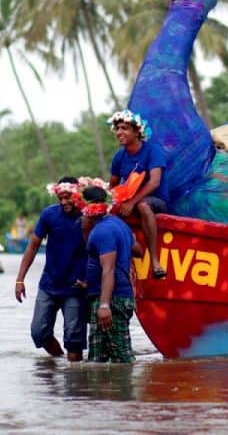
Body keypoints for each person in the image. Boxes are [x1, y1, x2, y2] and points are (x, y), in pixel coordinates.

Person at [14, 176, 88, 361]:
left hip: (75, 287)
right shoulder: (49, 215)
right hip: (49, 285)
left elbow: (98, 251)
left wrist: (91, 280)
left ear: (77, 195)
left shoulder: (88, 217)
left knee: (73, 339)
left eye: (68, 197)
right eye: (60, 198)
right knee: (38, 332)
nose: (64, 202)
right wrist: (20, 279)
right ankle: (60, 363)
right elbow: (32, 247)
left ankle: (76, 382)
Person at [82, 185, 142, 363]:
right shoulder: (118, 224)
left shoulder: (102, 231)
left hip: (111, 299)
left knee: (122, 358)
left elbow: (108, 269)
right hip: (111, 296)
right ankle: (105, 391)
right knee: (97, 359)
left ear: (88, 208)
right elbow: (137, 250)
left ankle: (126, 389)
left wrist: (105, 305)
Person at [107, 109, 168, 280]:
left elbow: (154, 182)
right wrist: (108, 202)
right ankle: (126, 249)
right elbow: (112, 185)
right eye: (117, 128)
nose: (119, 132)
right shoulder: (119, 157)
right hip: (129, 201)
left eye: (124, 128)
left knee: (143, 205)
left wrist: (132, 202)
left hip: (155, 201)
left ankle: (155, 262)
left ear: (136, 132)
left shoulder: (152, 151)